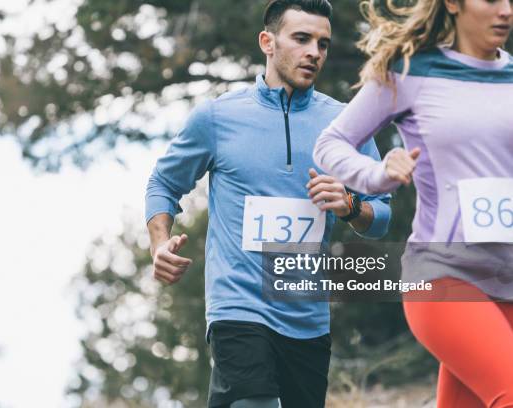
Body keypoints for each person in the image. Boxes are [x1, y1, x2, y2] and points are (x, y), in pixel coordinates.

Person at [145, 1, 392, 407]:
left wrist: (350, 207)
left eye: (323, 44)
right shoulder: (217, 118)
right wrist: (159, 242)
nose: (314, 52)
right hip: (238, 307)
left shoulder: (347, 124)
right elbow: (163, 183)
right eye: (301, 39)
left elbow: (381, 215)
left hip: (307, 319)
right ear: (268, 42)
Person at [312, 0, 513, 406]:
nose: (505, 11)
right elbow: (330, 143)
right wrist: (378, 175)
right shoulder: (412, 72)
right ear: (453, 4)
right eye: (491, 0)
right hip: (445, 276)